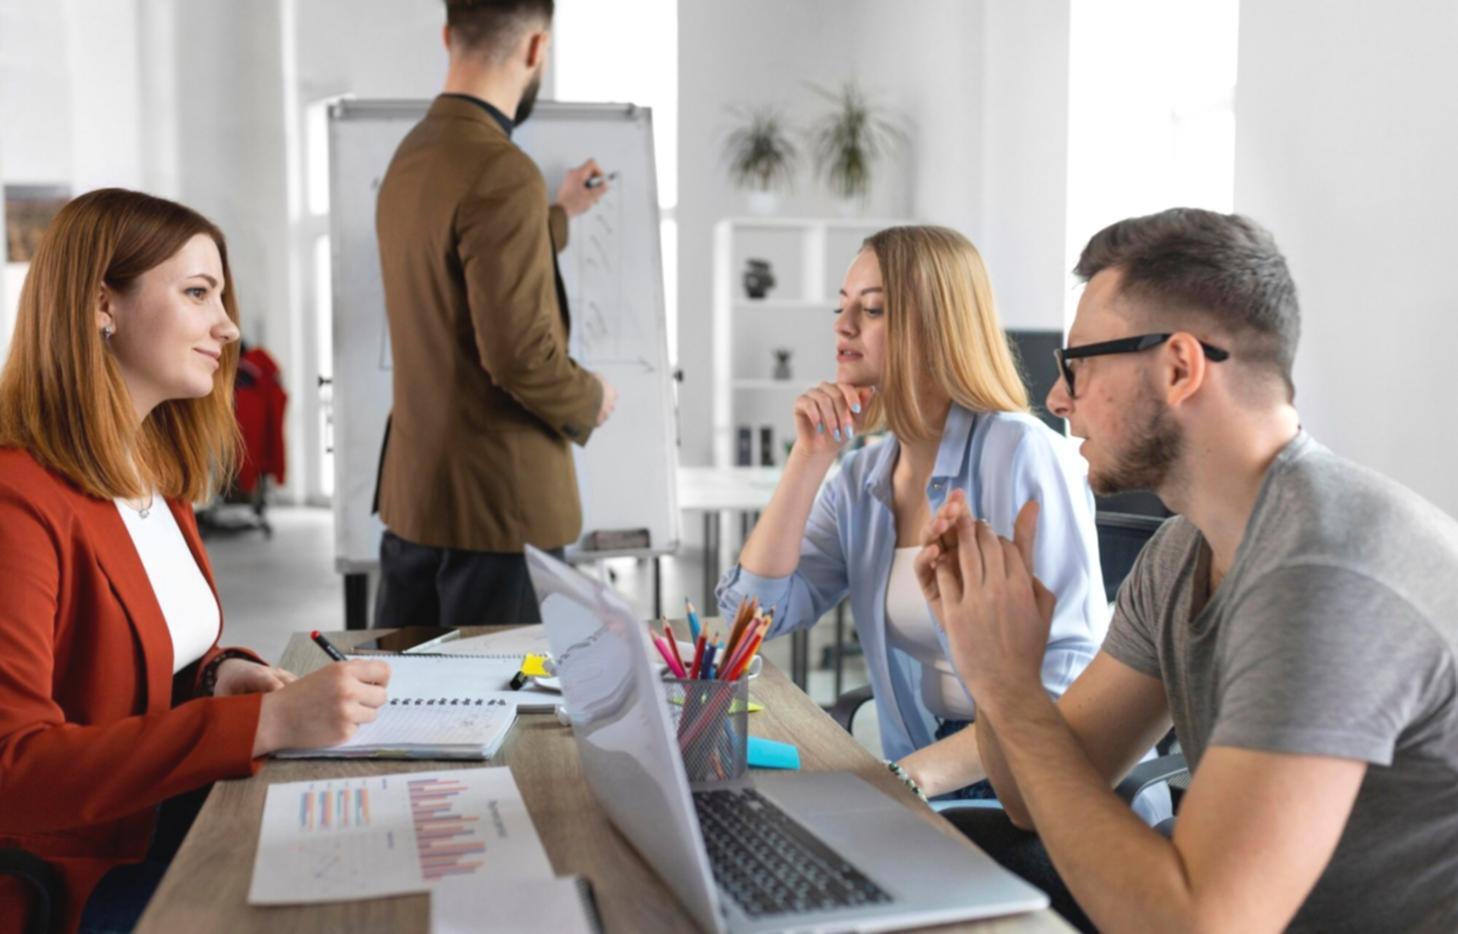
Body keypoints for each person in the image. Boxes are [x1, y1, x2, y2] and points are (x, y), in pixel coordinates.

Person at [918, 208, 1458, 931]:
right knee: (955, 850)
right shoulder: (1182, 552)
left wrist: (1014, 690)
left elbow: (1201, 926)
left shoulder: (1327, 574)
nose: (1057, 399)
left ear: (1178, 367)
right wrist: (990, 660)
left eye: (1079, 366)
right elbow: (1028, 801)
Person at [0, 189, 392, 933]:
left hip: (171, 814)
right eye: (197, 293)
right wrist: (264, 724)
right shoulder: (17, 500)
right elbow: (12, 768)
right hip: (84, 874)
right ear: (102, 305)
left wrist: (214, 677)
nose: (229, 325)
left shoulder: (151, 471)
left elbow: (132, 665)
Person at [716, 225, 1155, 810]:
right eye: (841, 307)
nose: (844, 326)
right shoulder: (861, 477)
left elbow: (1070, 678)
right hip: (933, 772)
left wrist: (908, 778)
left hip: (1038, 775)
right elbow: (749, 621)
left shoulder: (1019, 453)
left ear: (935, 328)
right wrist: (810, 458)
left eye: (872, 309)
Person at [372, 0, 617, 629]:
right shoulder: (502, 171)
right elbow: (518, 356)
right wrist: (590, 397)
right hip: (498, 513)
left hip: (417, 500)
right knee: (502, 693)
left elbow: (464, 258)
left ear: (448, 36)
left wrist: (557, 214)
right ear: (536, 49)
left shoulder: (412, 154)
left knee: (405, 687)